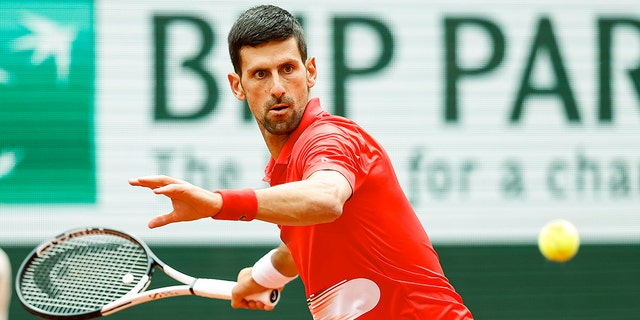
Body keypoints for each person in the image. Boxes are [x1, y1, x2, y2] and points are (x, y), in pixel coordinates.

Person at [130, 4, 473, 319]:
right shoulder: (285, 167)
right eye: (260, 74)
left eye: (288, 68)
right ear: (238, 86)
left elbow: (324, 200)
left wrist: (220, 203)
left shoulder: (331, 138)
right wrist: (261, 278)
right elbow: (302, 244)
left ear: (310, 72)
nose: (278, 87)